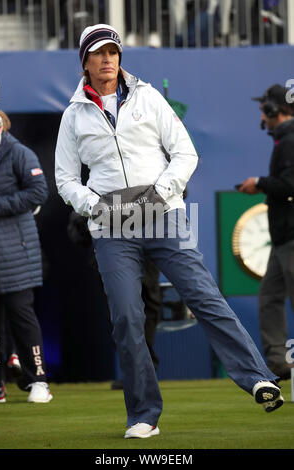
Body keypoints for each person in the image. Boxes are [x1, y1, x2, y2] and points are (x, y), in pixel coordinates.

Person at [55, 23, 283, 438]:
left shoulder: (149, 97)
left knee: (205, 296)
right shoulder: (73, 115)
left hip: (164, 215)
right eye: (99, 53)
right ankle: (143, 414)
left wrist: (159, 193)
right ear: (84, 61)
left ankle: (257, 378)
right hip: (111, 227)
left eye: (113, 52)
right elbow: (65, 178)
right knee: (126, 318)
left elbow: (184, 153)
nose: (108, 60)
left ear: (120, 57)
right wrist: (96, 206)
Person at [0, 110, 52, 404]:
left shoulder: (18, 153)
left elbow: (38, 192)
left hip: (16, 252)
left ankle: (38, 380)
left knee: (22, 317)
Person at [66, 211, 161, 389]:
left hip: (147, 249)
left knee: (147, 309)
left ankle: (144, 370)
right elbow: (79, 226)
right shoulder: (95, 187)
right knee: (121, 314)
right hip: (111, 250)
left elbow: (179, 190)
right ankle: (135, 371)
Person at [238, 84, 294, 381]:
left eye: (264, 108)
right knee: (270, 297)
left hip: (291, 236)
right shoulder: (284, 140)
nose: (262, 113)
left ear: (274, 110)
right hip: (283, 237)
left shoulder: (289, 141)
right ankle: (278, 363)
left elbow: (289, 185)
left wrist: (259, 183)